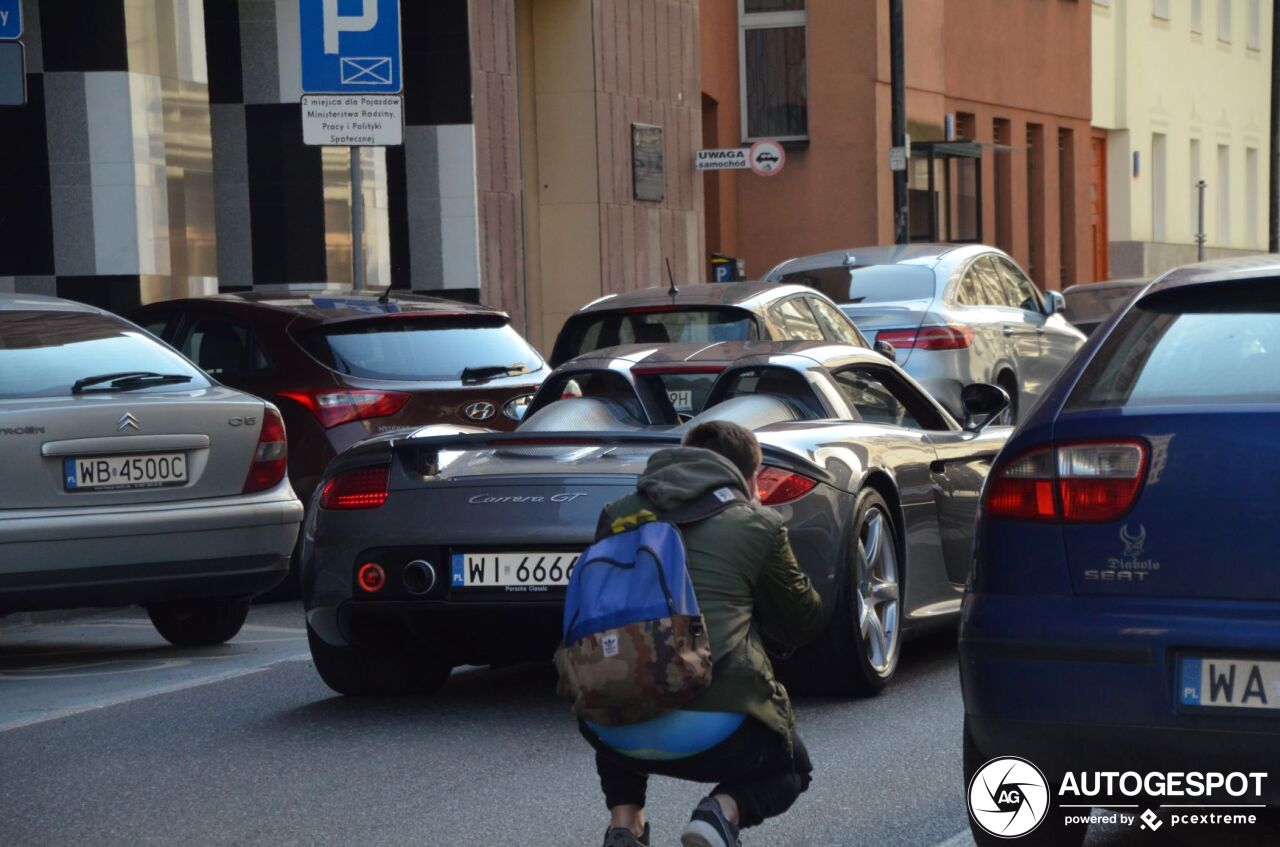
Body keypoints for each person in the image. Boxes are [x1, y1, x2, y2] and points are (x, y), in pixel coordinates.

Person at [581, 420, 824, 847]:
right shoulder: (757, 525)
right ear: (751, 476)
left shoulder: (616, 515)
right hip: (715, 734)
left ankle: (626, 823)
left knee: (625, 666)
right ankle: (720, 813)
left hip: (611, 731)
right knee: (792, 769)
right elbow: (802, 622)